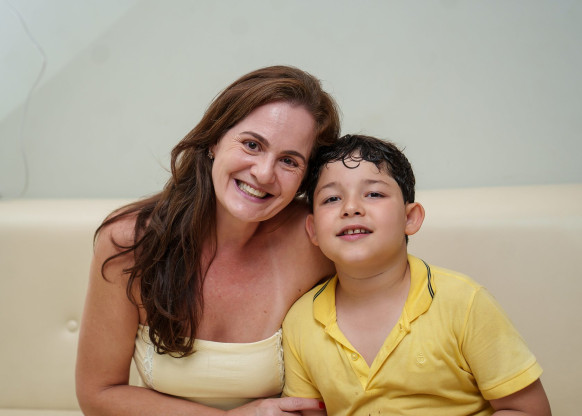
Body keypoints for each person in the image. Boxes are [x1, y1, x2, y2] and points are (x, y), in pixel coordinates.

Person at [75, 65, 340, 415]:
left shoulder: (314, 240)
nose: (263, 173)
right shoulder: (130, 242)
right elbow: (98, 393)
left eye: (289, 161)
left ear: (304, 178)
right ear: (215, 139)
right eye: (252, 144)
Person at [282, 134, 552, 415]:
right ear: (313, 230)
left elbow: (530, 410)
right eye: (332, 198)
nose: (350, 208)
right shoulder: (300, 322)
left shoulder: (464, 303)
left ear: (410, 218)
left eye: (374, 194)